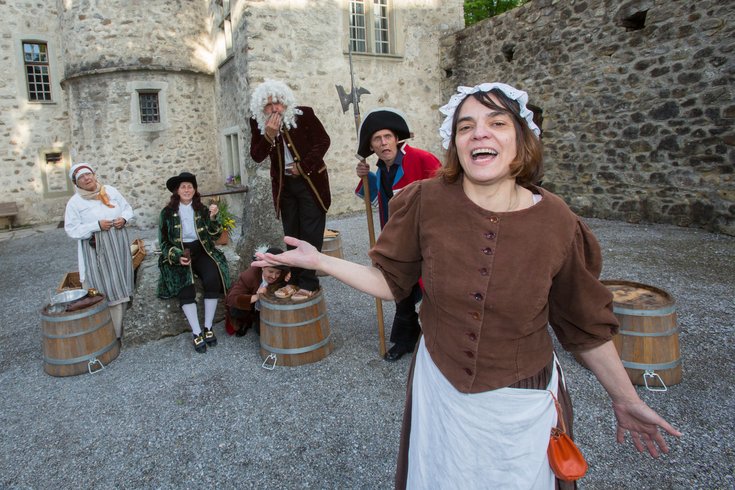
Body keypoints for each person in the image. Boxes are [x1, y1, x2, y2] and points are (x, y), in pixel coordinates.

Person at [254, 83, 681, 489]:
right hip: (440, 393)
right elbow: (390, 282)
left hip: (522, 404)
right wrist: (319, 260)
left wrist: (624, 397)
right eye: (465, 126)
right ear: (456, 143)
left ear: (522, 138)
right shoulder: (426, 201)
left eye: (497, 122)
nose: (479, 132)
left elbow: (585, 325)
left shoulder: (558, 222)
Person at [354, 108, 441, 362]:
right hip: (397, 243)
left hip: (427, 241)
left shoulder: (422, 159)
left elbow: (448, 193)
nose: (383, 143)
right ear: (372, 146)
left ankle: (439, 342)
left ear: (396, 139)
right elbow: (376, 197)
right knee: (401, 290)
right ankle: (406, 340)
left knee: (434, 292)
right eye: (377, 139)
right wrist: (366, 176)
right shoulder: (381, 170)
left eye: (387, 137)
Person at [249, 79, 331, 302]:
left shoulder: (304, 115)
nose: (274, 108)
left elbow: (323, 141)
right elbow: (257, 155)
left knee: (310, 234)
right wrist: (268, 135)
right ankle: (294, 280)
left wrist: (302, 166)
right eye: (268, 105)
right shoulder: (259, 124)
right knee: (292, 236)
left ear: (285, 102)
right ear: (261, 108)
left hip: (310, 183)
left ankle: (309, 283)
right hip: (285, 187)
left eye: (278, 102)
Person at [157, 172, 230, 354]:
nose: (187, 189)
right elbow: (163, 242)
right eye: (183, 186)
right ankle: (196, 332)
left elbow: (213, 236)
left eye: (190, 186)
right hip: (181, 253)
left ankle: (208, 327)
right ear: (177, 190)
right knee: (185, 285)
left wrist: (214, 218)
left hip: (202, 250)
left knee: (212, 278)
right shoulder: (166, 213)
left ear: (195, 190)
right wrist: (175, 256)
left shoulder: (202, 210)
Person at [64, 163, 134, 345]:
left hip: (118, 244)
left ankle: (127, 327)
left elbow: (127, 208)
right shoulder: (75, 202)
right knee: (107, 287)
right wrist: (96, 226)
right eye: (81, 178)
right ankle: (110, 334)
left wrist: (124, 218)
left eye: (89, 175)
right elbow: (72, 230)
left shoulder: (109, 190)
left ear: (94, 175)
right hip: (97, 249)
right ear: (76, 183)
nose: (87, 179)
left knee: (122, 282)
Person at [224, 247, 290, 337]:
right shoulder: (249, 276)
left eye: (278, 273)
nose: (274, 276)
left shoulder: (284, 273)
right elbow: (231, 299)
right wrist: (256, 296)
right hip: (250, 306)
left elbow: (298, 270)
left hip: (267, 308)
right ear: (263, 267)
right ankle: (245, 321)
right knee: (236, 310)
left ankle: (257, 319)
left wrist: (291, 276)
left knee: (262, 331)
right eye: (271, 271)